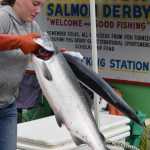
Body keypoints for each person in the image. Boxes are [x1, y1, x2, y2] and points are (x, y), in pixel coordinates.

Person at [0, 0, 46, 149]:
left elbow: (44, 55)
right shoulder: (3, 16)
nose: (38, 10)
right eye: (35, 3)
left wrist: (58, 57)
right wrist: (19, 41)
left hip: (7, 106)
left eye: (41, 5)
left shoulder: (33, 27)